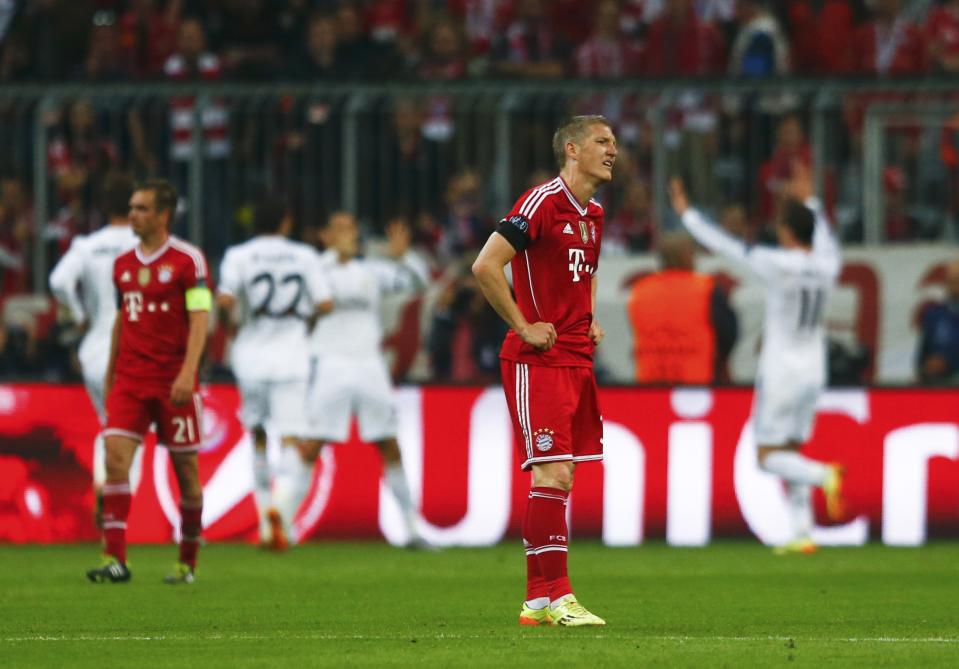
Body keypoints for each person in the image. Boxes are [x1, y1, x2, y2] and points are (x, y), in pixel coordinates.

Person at [471, 115, 615, 626]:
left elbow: (587, 272)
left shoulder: (594, 213)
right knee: (551, 471)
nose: (612, 150)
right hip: (539, 358)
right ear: (572, 150)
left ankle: (536, 601)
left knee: (563, 475)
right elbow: (486, 266)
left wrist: (590, 314)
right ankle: (560, 599)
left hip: (577, 356)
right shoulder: (540, 203)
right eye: (602, 141)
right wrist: (524, 324)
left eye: (614, 142)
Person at [668, 162, 845, 555]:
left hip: (781, 368)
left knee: (767, 458)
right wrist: (811, 199)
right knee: (790, 449)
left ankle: (823, 474)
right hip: (814, 368)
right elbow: (825, 233)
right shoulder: (828, 262)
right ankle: (802, 531)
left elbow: (725, 246)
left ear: (785, 232)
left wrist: (687, 214)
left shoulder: (777, 263)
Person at [85, 179, 211, 585]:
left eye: (140, 208)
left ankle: (187, 562)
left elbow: (200, 318)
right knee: (115, 458)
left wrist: (188, 372)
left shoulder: (188, 261)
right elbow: (123, 319)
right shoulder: (121, 265)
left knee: (186, 473)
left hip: (173, 380)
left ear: (162, 215)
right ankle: (115, 560)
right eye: (132, 207)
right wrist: (110, 373)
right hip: (131, 380)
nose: (133, 215)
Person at [301, 212, 430, 547]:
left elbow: (419, 281)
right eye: (341, 228)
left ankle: (413, 530)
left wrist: (404, 256)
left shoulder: (370, 272)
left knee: (389, 443)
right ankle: (281, 528)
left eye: (353, 228)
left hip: (369, 365)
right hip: (329, 364)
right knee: (312, 444)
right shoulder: (314, 270)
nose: (349, 234)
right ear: (326, 235)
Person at [216, 196, 332, 550]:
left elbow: (224, 302)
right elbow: (325, 302)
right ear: (285, 221)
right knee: (292, 439)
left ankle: (267, 518)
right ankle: (281, 512)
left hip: (250, 357)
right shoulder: (304, 256)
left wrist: (232, 328)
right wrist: (305, 323)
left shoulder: (238, 256)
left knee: (259, 436)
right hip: (292, 358)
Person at [49, 172, 143, 528]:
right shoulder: (147, 245)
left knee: (110, 422)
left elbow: (58, 281)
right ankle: (117, 496)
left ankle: (106, 484)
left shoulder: (86, 245)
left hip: (95, 348)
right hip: (137, 347)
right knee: (133, 428)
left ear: (104, 207)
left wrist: (77, 315)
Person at [627, 231, 738, 384]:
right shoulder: (706, 288)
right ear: (687, 256)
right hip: (694, 383)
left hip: (650, 384)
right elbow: (728, 333)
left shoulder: (640, 290)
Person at [917, 260, 959, 385]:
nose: (955, 285)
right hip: (937, 383)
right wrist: (927, 365)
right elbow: (922, 354)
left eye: (957, 280)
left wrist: (949, 363)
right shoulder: (934, 315)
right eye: (951, 281)